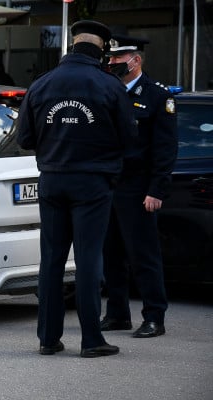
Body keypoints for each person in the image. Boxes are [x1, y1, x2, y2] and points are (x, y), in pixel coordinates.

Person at [15, 20, 138, 358]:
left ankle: (48, 339)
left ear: (72, 46)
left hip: (52, 180)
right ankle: (91, 340)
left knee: (51, 260)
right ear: (101, 50)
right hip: (92, 183)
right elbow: (130, 139)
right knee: (87, 260)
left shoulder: (41, 85)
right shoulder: (109, 86)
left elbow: (25, 138)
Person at [100, 35, 178, 338]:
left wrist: (157, 189)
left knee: (143, 255)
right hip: (109, 186)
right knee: (111, 255)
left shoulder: (158, 95)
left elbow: (165, 148)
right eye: (110, 60)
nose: (112, 64)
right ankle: (117, 314)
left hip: (139, 188)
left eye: (118, 60)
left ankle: (154, 316)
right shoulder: (108, 92)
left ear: (136, 60)